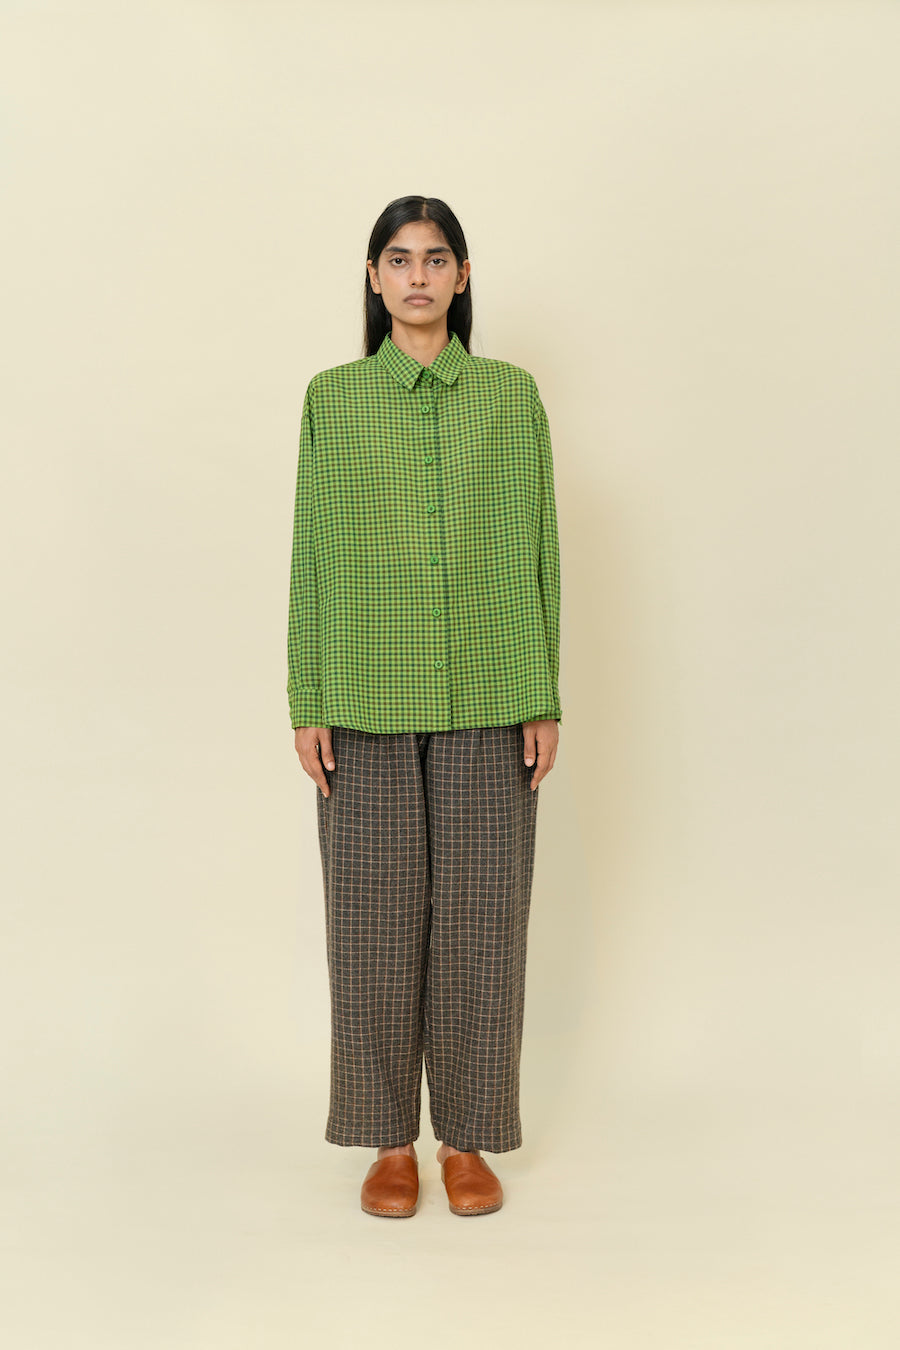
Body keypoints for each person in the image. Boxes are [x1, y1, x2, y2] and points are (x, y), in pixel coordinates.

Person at [287, 195, 562, 1219]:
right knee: (370, 923)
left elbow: (538, 550)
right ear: (373, 278)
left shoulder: (510, 396)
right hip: (362, 692)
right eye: (398, 260)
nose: (416, 277)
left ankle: (468, 1140)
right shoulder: (333, 400)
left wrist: (541, 692)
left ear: (462, 275)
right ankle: (389, 1142)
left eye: (435, 259)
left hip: (491, 690)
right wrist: (308, 695)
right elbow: (312, 553)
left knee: (485, 923)